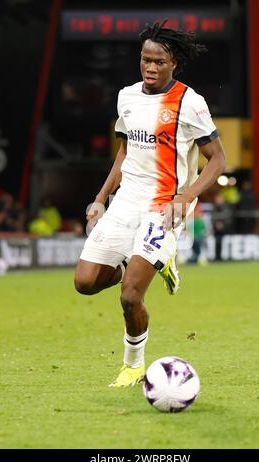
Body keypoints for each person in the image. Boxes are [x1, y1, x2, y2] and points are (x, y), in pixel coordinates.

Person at [74, 21, 226, 387]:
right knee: (86, 282)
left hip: (164, 208)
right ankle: (139, 260)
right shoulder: (126, 97)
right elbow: (124, 152)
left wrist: (185, 197)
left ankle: (132, 365)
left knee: (130, 296)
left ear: (174, 63)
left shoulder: (190, 103)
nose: (151, 68)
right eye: (146, 60)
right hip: (125, 202)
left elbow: (218, 160)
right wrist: (99, 198)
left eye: (159, 61)